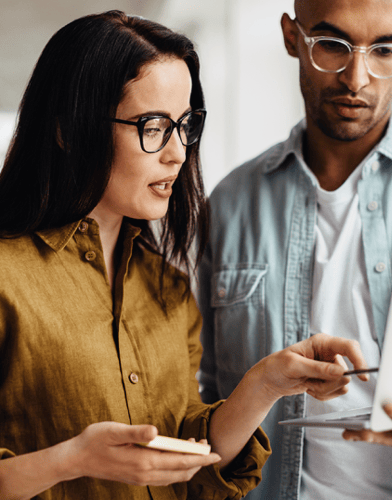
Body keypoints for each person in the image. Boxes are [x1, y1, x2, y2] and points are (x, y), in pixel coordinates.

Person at [0, 10, 370, 500]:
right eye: (152, 126)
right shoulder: (8, 275)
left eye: (185, 125)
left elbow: (187, 459)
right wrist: (72, 460)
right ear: (69, 129)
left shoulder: (167, 287)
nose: (177, 152)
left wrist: (266, 383)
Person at [198, 0, 392, 499]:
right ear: (292, 38)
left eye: (387, 49)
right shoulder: (230, 204)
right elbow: (197, 402)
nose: (357, 77)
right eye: (332, 45)